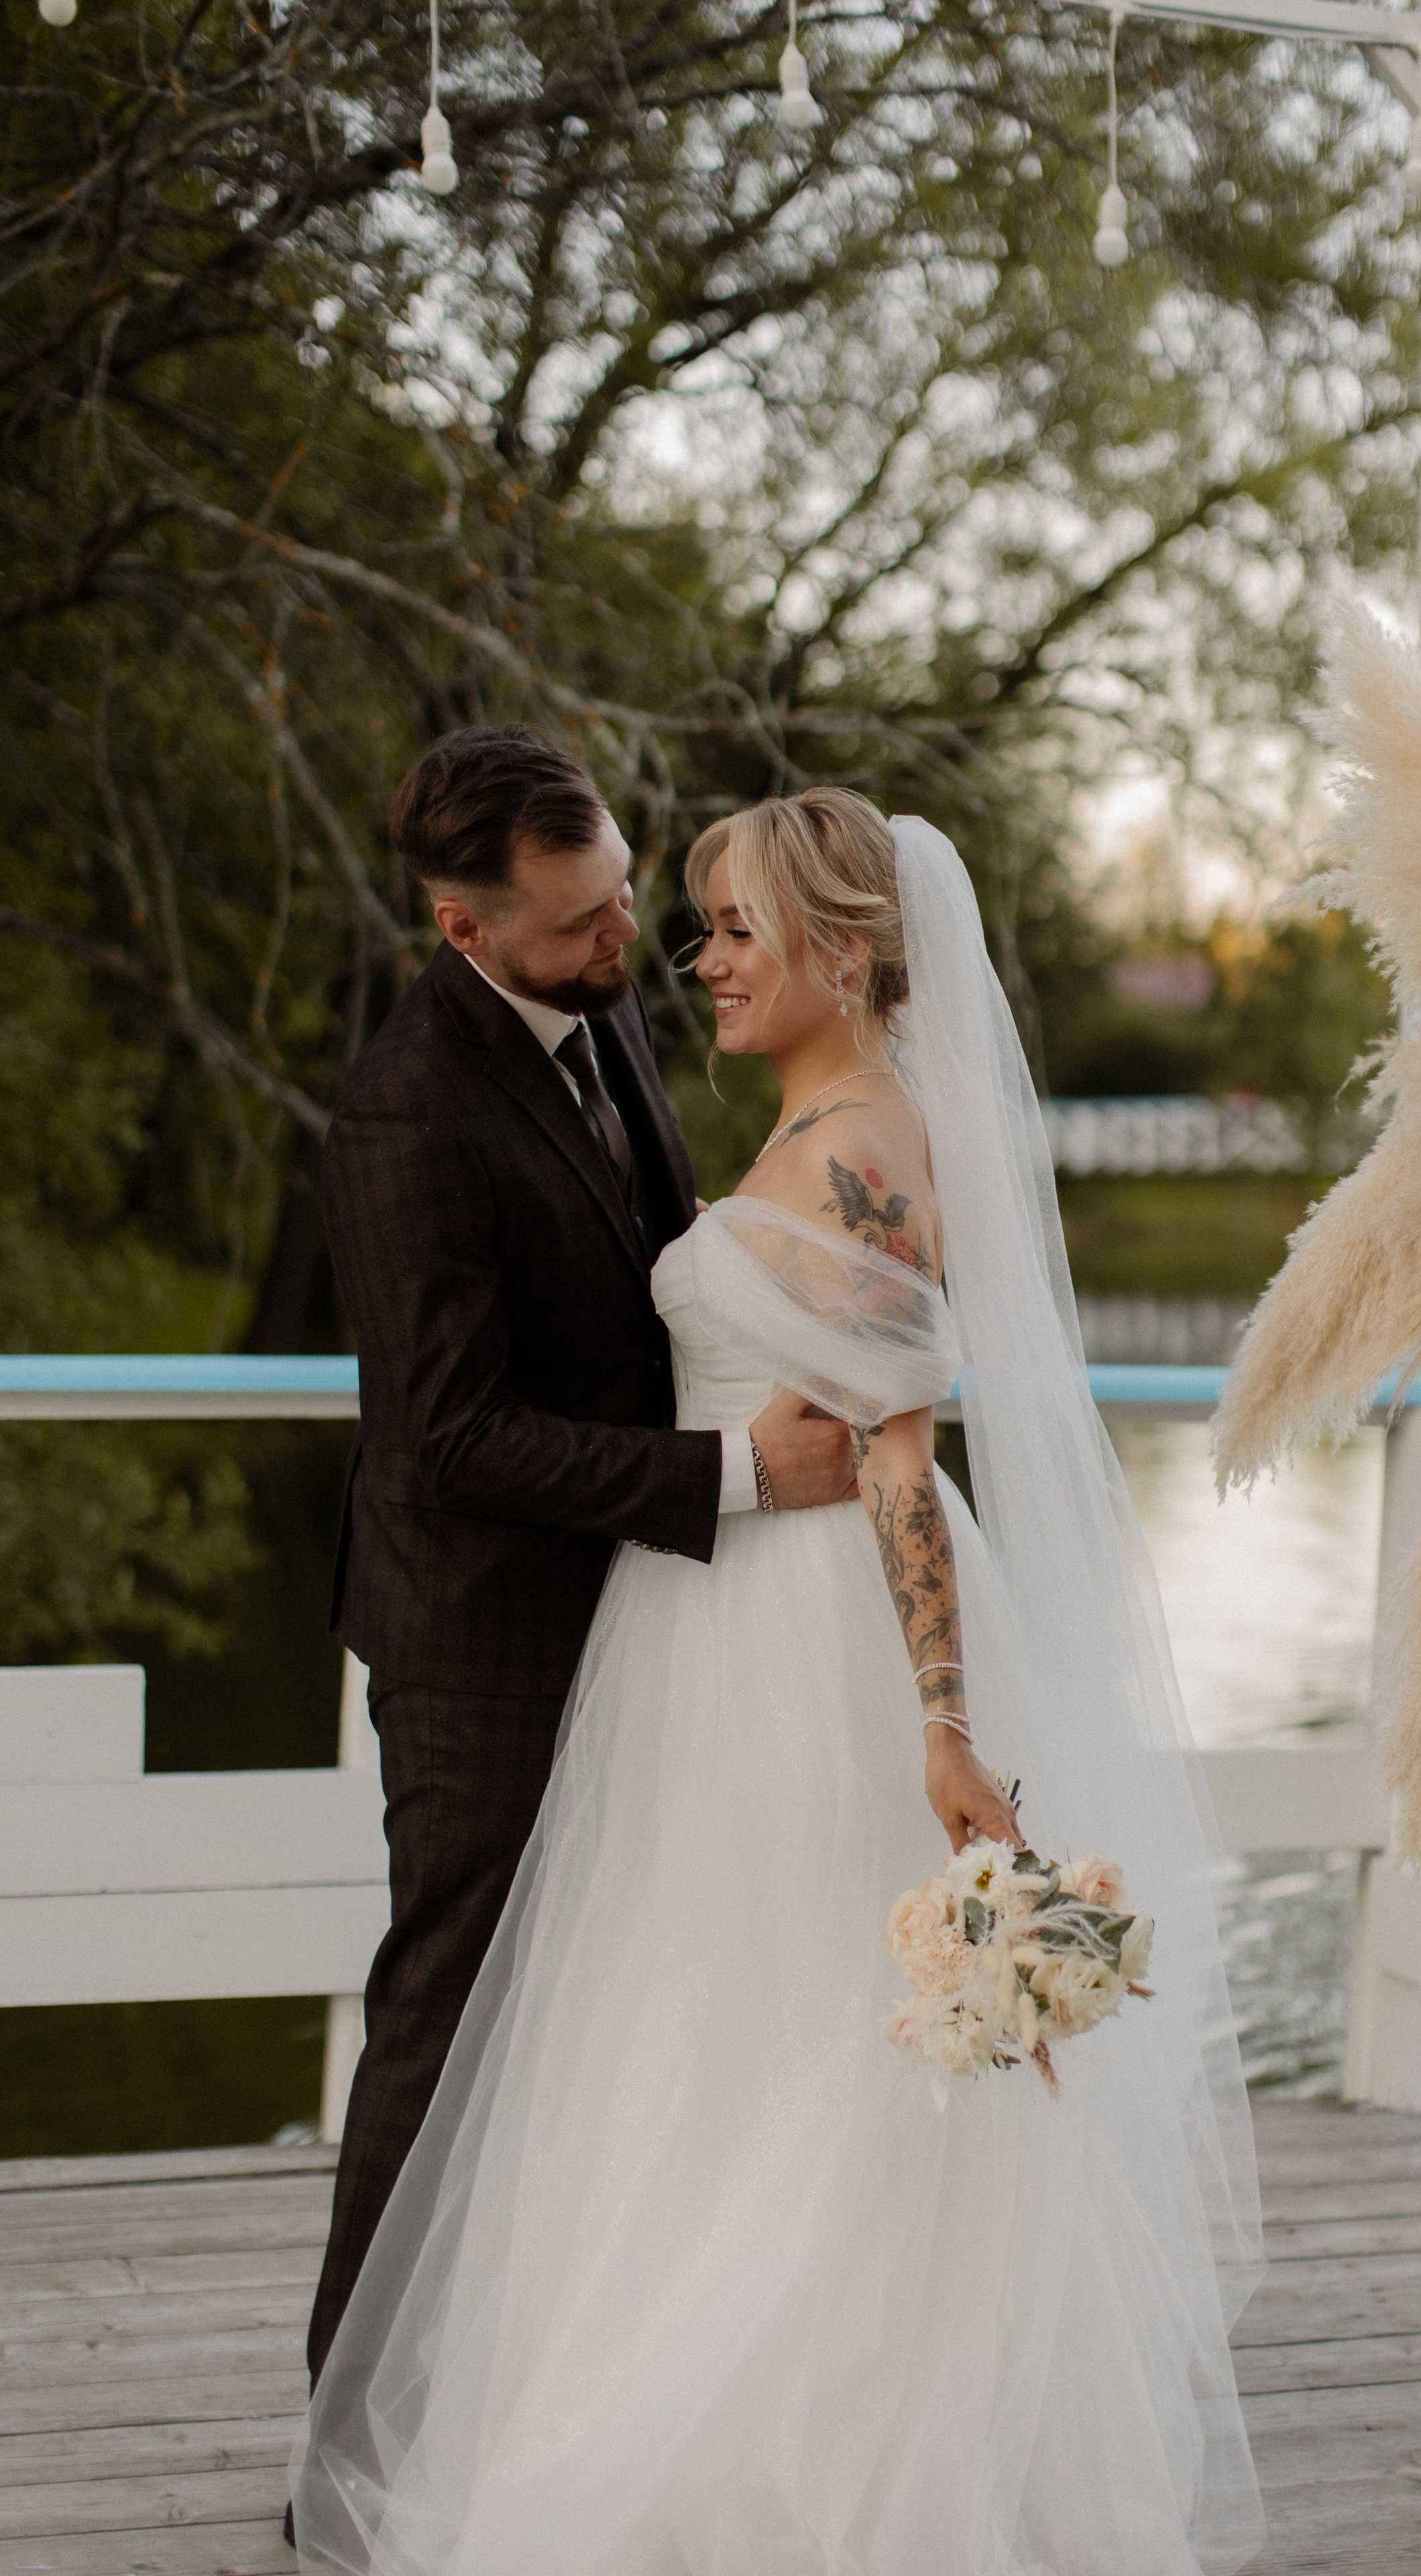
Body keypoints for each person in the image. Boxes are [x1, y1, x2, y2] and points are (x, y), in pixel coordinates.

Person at [292, 789, 1265, 2575]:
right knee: (689, 2026)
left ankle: (802, 2440)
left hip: (803, 1627)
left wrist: (949, 1728)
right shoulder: (805, 1115)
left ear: (838, 945)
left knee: (789, 2035)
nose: (690, 960)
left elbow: (897, 1453)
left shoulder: (863, 1147)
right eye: (687, 927)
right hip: (699, 1607)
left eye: (732, 929)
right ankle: (465, 2404)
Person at [305, 731, 857, 2395]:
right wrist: (731, 1476)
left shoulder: (601, 1010)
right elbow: (448, 1436)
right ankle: (350, 2420)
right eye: (578, 925)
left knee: (613, 2008)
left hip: (641, 1609)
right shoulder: (402, 1114)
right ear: (466, 930)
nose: (628, 944)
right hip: (477, 1638)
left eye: (623, 893)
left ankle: (532, 2385)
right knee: (450, 2011)